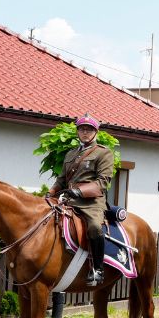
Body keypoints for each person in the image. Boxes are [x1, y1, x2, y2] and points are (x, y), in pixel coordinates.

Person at [50, 113, 113, 286]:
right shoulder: (70, 154)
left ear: (96, 132)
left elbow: (103, 182)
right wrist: (50, 193)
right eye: (82, 129)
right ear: (78, 131)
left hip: (91, 202)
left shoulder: (103, 153)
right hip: (69, 200)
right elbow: (61, 179)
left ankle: (98, 269)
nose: (85, 132)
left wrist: (79, 192)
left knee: (94, 227)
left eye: (89, 129)